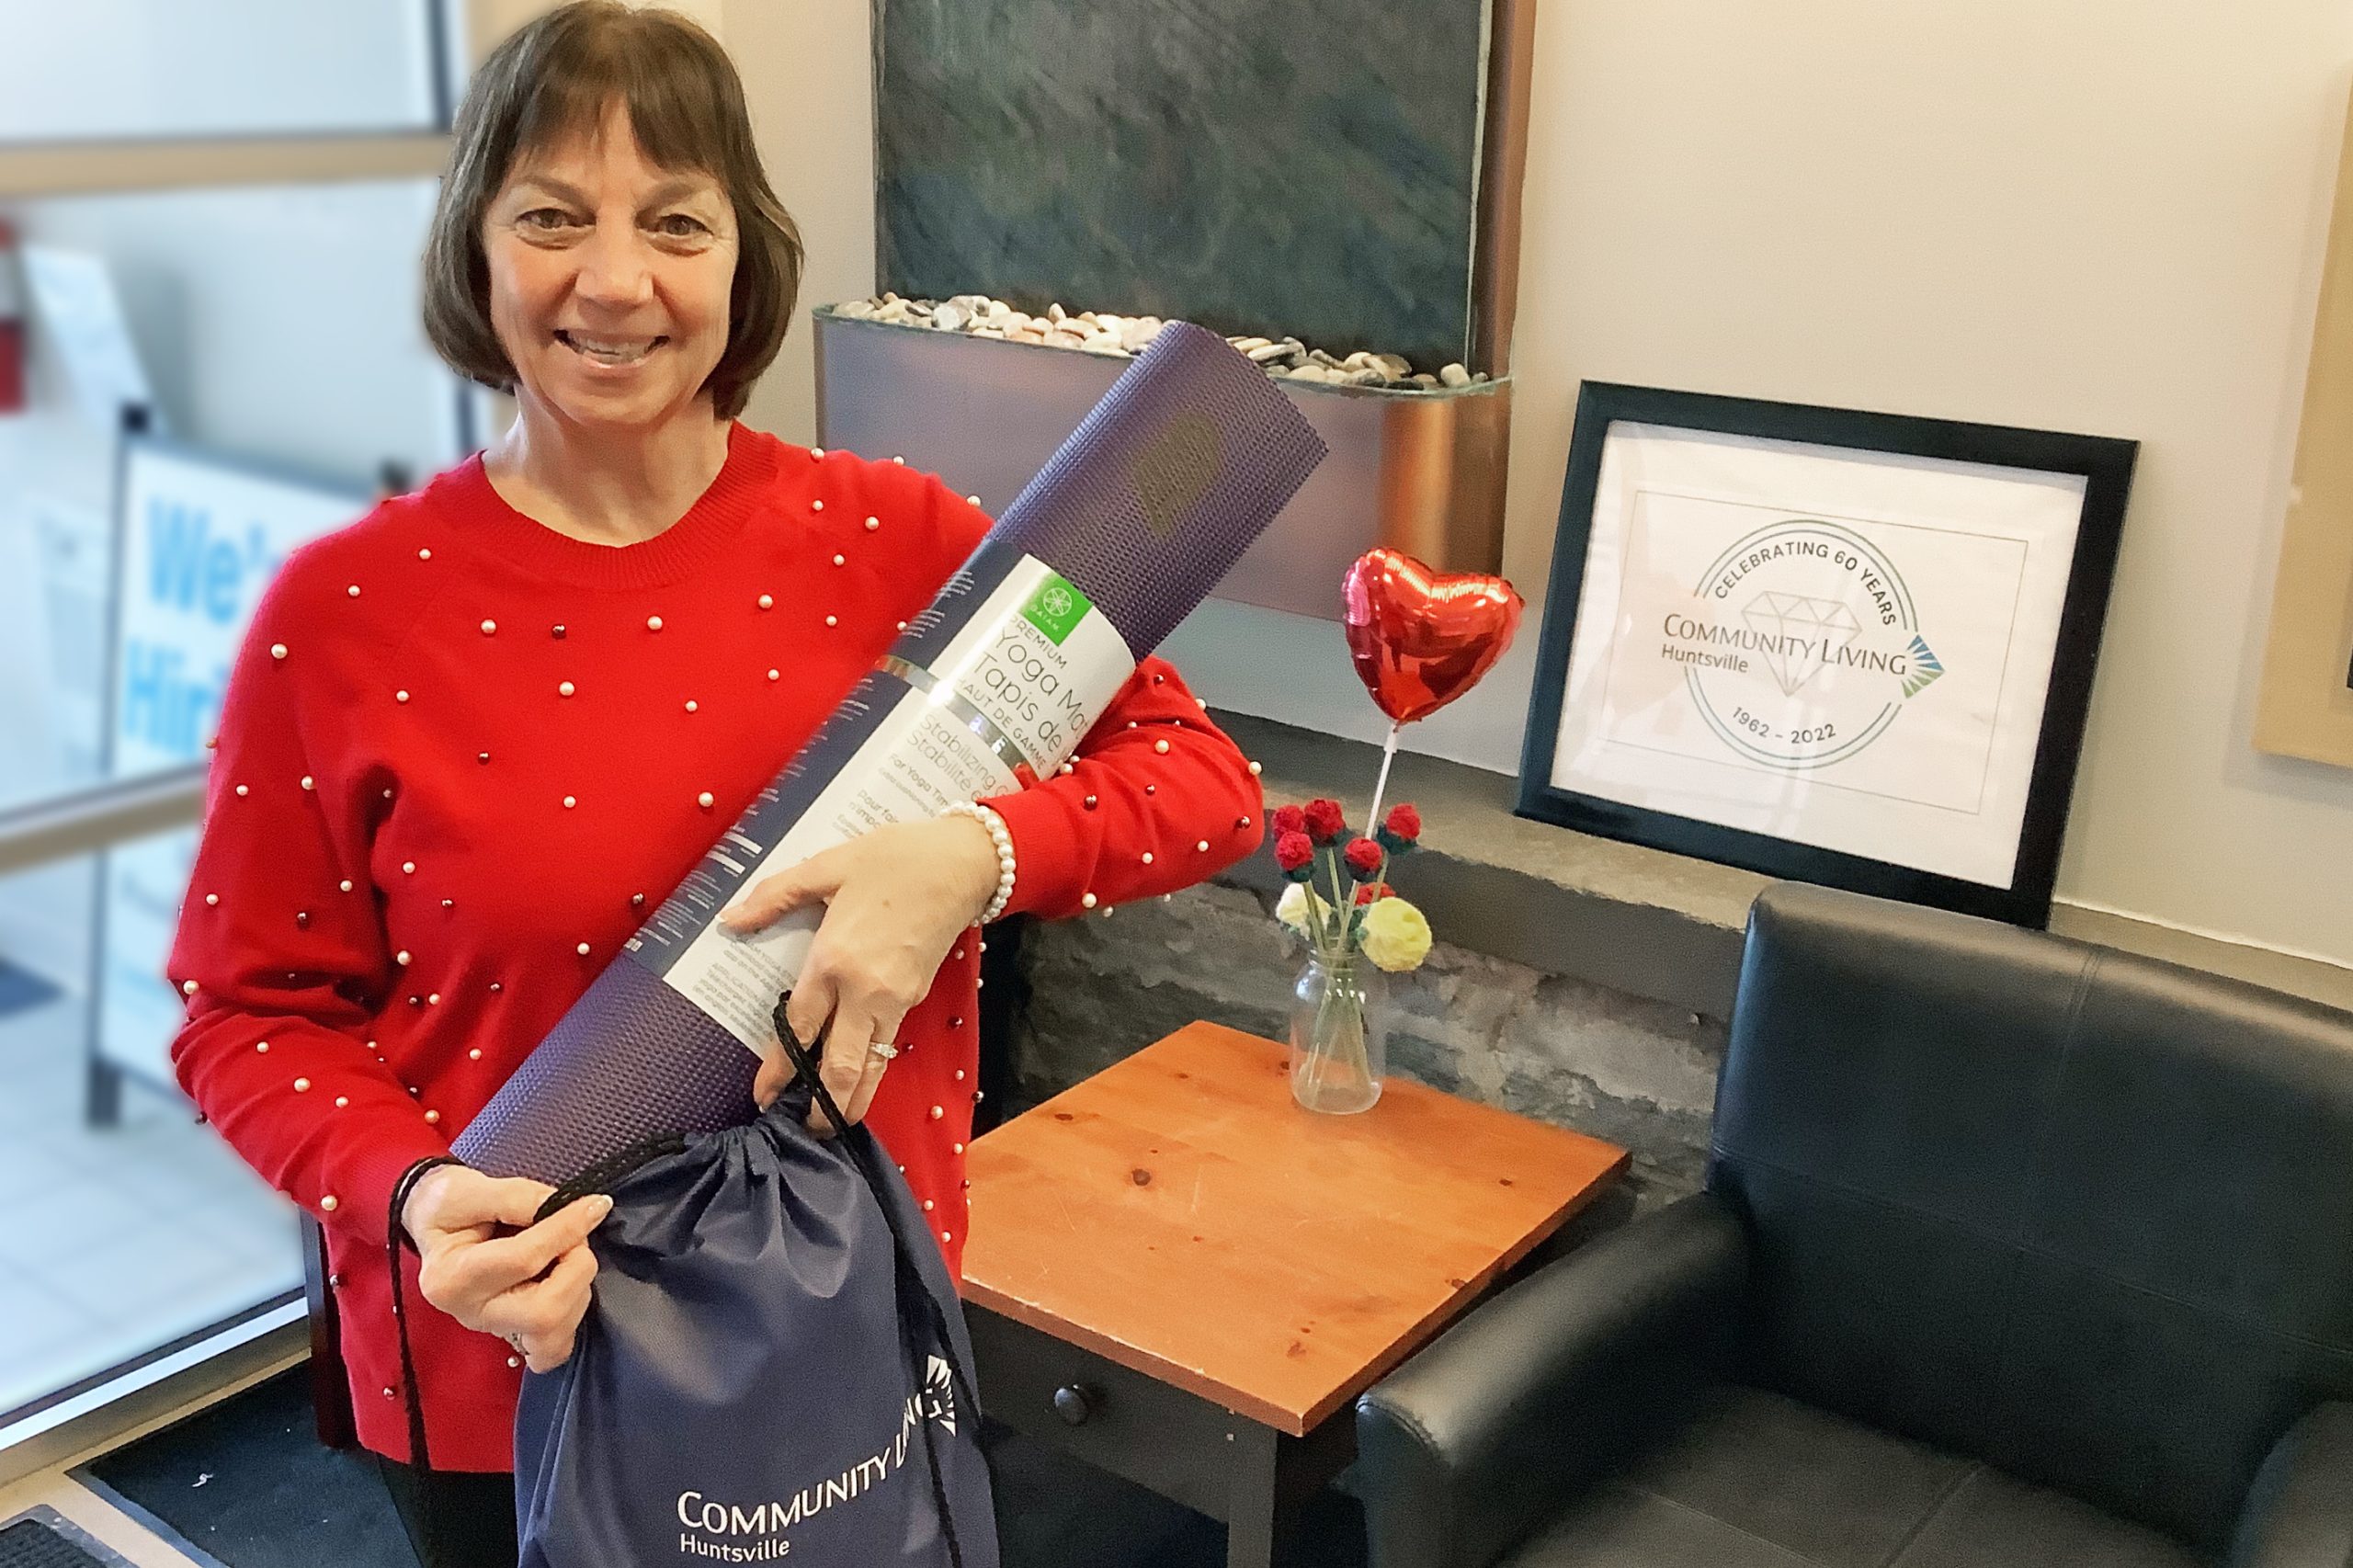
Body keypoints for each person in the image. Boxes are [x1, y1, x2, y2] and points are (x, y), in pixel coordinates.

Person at [165, 6, 1264, 1564]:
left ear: (744, 256)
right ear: (474, 248)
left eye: (676, 223)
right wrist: (408, 1192)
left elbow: (1206, 779)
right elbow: (244, 1011)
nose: (617, 280)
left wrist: (971, 856)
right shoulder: (344, 614)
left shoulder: (902, 541)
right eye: (553, 217)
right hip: (513, 1372)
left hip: (839, 1332)